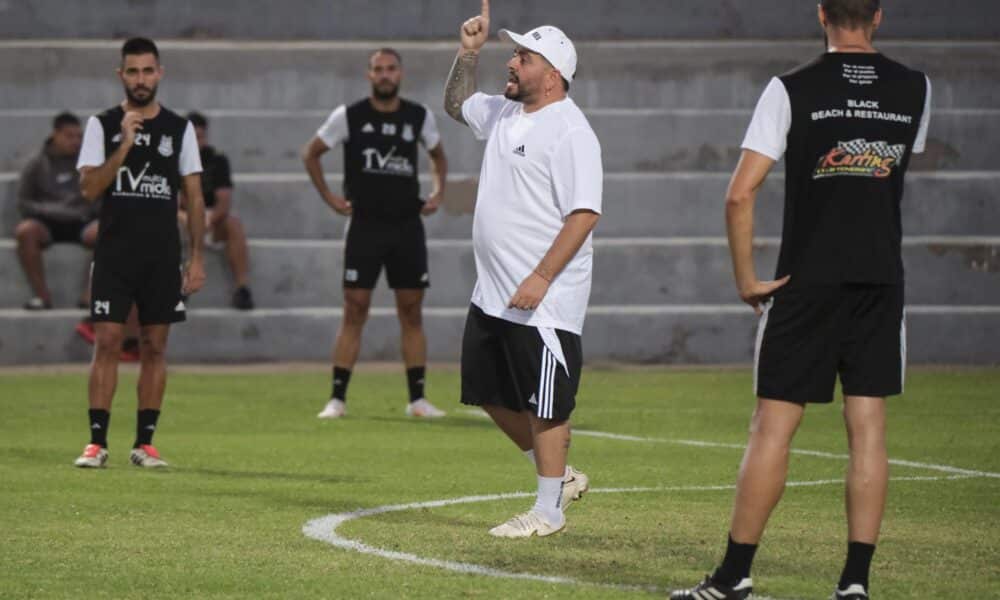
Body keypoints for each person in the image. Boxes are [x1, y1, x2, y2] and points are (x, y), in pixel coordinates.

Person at [670, 2, 930, 598]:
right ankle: (855, 584)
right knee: (868, 430)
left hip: (805, 284)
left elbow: (740, 195)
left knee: (772, 429)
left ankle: (734, 576)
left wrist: (745, 279)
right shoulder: (916, 88)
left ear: (820, 14)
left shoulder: (791, 88)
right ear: (879, 15)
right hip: (880, 280)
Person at [444, 0, 601, 538]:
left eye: (523, 57)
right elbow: (458, 105)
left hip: (546, 300)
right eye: (512, 54)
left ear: (552, 76)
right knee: (485, 392)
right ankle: (560, 477)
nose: (511, 64)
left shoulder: (571, 130)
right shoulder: (507, 112)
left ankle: (548, 509)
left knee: (547, 403)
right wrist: (468, 54)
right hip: (493, 293)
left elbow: (584, 214)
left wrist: (541, 277)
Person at [73, 37, 207, 469]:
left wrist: (198, 256)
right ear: (121, 76)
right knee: (108, 342)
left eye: (148, 71)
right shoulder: (102, 124)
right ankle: (96, 443)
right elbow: (90, 188)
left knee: (155, 346)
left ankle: (145, 443)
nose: (141, 79)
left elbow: (194, 195)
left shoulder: (179, 129)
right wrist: (125, 145)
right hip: (114, 252)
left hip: (162, 255)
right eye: (133, 71)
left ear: (160, 74)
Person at [302, 47, 449, 419]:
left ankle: (417, 399)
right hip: (365, 226)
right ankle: (337, 398)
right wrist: (331, 198)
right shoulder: (349, 116)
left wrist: (437, 192)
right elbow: (311, 153)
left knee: (411, 311)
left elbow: (438, 155)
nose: (385, 75)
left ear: (400, 74)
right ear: (369, 75)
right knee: (355, 308)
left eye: (391, 69)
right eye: (378, 69)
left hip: (406, 226)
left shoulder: (418, 116)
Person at [14, 112, 98, 310]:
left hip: (81, 221)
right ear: (55, 135)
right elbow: (24, 202)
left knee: (108, 230)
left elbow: (100, 199)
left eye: (79, 136)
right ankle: (42, 297)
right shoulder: (35, 164)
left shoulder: (89, 164)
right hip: (46, 222)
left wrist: (81, 211)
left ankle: (90, 296)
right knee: (25, 231)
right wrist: (51, 210)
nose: (76, 141)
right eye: (70, 136)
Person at [180, 111, 254, 310]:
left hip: (210, 219)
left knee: (233, 225)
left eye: (200, 137)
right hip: (182, 220)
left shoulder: (217, 160)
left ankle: (242, 289)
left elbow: (224, 200)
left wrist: (208, 220)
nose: (196, 143)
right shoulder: (173, 160)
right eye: (191, 138)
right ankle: (175, 286)